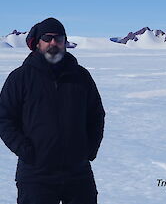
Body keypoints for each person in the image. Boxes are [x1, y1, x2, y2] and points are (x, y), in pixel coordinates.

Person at [0, 18, 105, 204]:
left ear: (65, 42)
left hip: (78, 172)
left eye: (58, 38)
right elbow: (4, 117)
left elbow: (96, 114)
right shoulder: (20, 77)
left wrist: (89, 148)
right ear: (37, 42)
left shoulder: (81, 76)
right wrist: (25, 150)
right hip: (36, 173)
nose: (53, 43)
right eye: (47, 38)